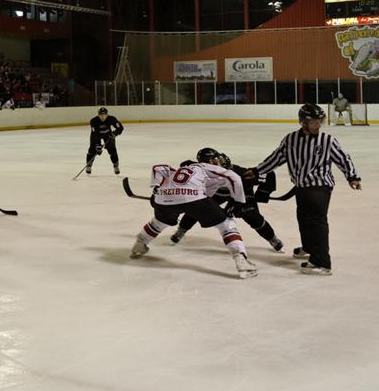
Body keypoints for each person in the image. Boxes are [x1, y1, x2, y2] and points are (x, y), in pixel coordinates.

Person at [247, 103, 361, 276]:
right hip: (301, 187)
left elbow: (343, 159)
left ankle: (322, 262)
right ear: (303, 122)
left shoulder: (327, 140)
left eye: (319, 121)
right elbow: (277, 158)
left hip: (320, 186)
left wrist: (352, 177)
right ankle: (308, 247)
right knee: (303, 218)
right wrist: (257, 171)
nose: (318, 125)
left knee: (316, 221)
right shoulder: (291, 139)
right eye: (314, 122)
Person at [131, 147, 258, 279]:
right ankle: (241, 259)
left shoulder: (184, 169)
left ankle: (139, 244)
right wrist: (239, 202)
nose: (218, 162)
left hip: (163, 198)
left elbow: (158, 168)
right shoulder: (207, 167)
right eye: (216, 159)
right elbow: (233, 177)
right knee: (226, 224)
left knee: (159, 222)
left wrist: (156, 187)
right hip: (193, 197)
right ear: (210, 160)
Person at [171, 151, 284, 252]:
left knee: (253, 216)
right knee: (198, 207)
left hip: (241, 194)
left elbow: (269, 174)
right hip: (217, 194)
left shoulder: (241, 173)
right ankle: (181, 230)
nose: (220, 162)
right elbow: (184, 167)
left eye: (218, 159)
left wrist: (262, 194)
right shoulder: (201, 172)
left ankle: (272, 238)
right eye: (214, 161)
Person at [85, 107, 123, 175]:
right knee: (92, 150)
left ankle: (116, 166)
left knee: (112, 150)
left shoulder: (111, 119)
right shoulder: (93, 121)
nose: (103, 117)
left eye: (104, 115)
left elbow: (120, 128)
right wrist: (97, 145)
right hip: (96, 136)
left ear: (107, 114)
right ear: (98, 115)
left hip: (108, 135)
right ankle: (89, 165)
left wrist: (114, 133)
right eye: (101, 115)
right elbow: (95, 134)